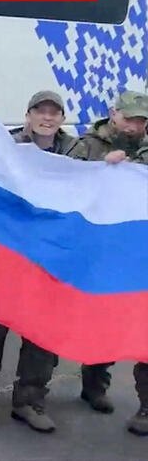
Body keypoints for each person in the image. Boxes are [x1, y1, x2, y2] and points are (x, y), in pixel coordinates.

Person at [0, 91, 65, 434]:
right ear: (28, 115)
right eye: (40, 111)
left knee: (41, 337)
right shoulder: (5, 146)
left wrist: (112, 163)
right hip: (5, 258)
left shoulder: (76, 153)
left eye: (53, 113)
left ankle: (29, 401)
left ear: (62, 119)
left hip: (48, 261)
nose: (47, 118)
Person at [69, 90, 148, 418]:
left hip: (139, 250)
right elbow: (65, 182)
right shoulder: (88, 146)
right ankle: (94, 384)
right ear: (114, 113)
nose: (134, 126)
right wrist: (102, 167)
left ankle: (145, 406)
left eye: (141, 121)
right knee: (103, 322)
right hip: (100, 249)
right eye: (129, 119)